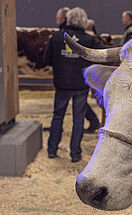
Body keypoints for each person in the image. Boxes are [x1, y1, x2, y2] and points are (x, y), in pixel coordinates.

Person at [44, 7, 103, 162]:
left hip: (61, 85)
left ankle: (52, 150)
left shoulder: (56, 37)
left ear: (68, 20)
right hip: (80, 86)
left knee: (57, 117)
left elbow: (46, 60)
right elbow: (103, 54)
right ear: (84, 22)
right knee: (78, 119)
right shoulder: (89, 40)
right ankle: (75, 154)